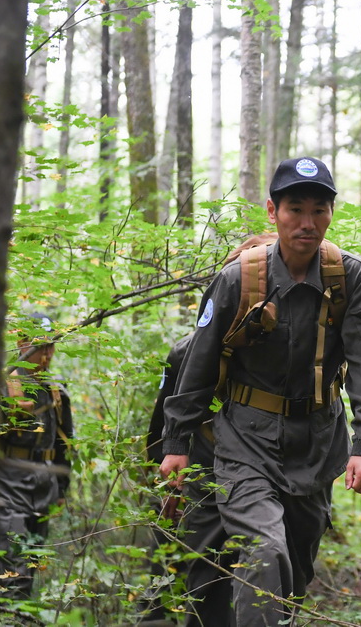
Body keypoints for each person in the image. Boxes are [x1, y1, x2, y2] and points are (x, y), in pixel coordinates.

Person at [159, 157, 361, 626]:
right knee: (263, 555)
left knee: (293, 573)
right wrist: (177, 443)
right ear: (273, 211)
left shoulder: (349, 277)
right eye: (295, 209)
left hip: (316, 444)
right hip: (244, 443)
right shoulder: (239, 278)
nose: (307, 223)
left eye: (319, 210)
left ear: (332, 213)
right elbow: (199, 362)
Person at [143, 234, 277, 627]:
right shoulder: (188, 351)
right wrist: (170, 485)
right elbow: (163, 425)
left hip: (262, 477)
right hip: (203, 476)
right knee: (194, 582)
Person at [0, 312, 74, 600]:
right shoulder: (3, 387)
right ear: (22, 343)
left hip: (43, 487)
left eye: (51, 347)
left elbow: (64, 443)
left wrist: (61, 489)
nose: (47, 354)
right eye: (41, 346)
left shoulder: (56, 391)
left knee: (31, 559)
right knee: (9, 567)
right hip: (8, 486)